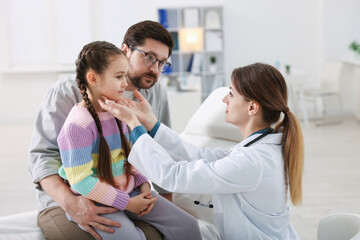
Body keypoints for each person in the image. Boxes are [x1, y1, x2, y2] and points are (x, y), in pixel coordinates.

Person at [99, 63, 305, 240]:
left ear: (252, 108)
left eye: (231, 94)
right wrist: (150, 122)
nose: (225, 99)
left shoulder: (253, 161)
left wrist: (134, 126)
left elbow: (173, 176)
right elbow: (200, 156)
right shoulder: (259, 148)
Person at [28, 20, 174, 240]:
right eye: (149, 57)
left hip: (125, 191)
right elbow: (42, 155)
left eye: (162, 63)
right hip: (70, 197)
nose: (154, 69)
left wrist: (165, 207)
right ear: (125, 50)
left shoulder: (155, 94)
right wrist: (71, 203)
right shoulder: (66, 92)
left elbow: (160, 151)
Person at [57, 40, 201, 240]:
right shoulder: (78, 125)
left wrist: (142, 183)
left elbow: (130, 157)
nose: (125, 83)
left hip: (129, 191)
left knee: (187, 225)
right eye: (118, 76)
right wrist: (127, 203)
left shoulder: (119, 112)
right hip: (96, 200)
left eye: (125, 75)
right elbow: (81, 181)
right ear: (93, 78)